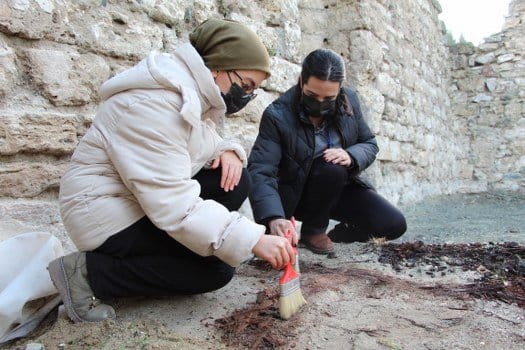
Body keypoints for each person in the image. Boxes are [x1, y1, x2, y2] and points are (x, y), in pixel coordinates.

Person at [47, 19, 295, 323]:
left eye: (252, 91)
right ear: (218, 67)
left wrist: (226, 148)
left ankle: (173, 252)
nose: (245, 96)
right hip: (103, 215)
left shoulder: (188, 92)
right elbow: (174, 205)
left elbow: (196, 141)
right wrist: (252, 239)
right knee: (214, 270)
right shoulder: (152, 105)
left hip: (134, 201)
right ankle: (86, 274)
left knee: (233, 181)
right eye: (245, 86)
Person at [248, 48, 407, 255]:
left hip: (336, 189)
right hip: (297, 194)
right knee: (331, 168)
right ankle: (313, 231)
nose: (320, 104)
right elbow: (261, 169)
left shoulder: (349, 100)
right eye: (312, 96)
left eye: (328, 98)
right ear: (301, 81)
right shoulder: (277, 115)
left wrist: (351, 155)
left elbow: (369, 143)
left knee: (393, 224)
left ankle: (335, 236)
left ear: (340, 89)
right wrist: (273, 217)